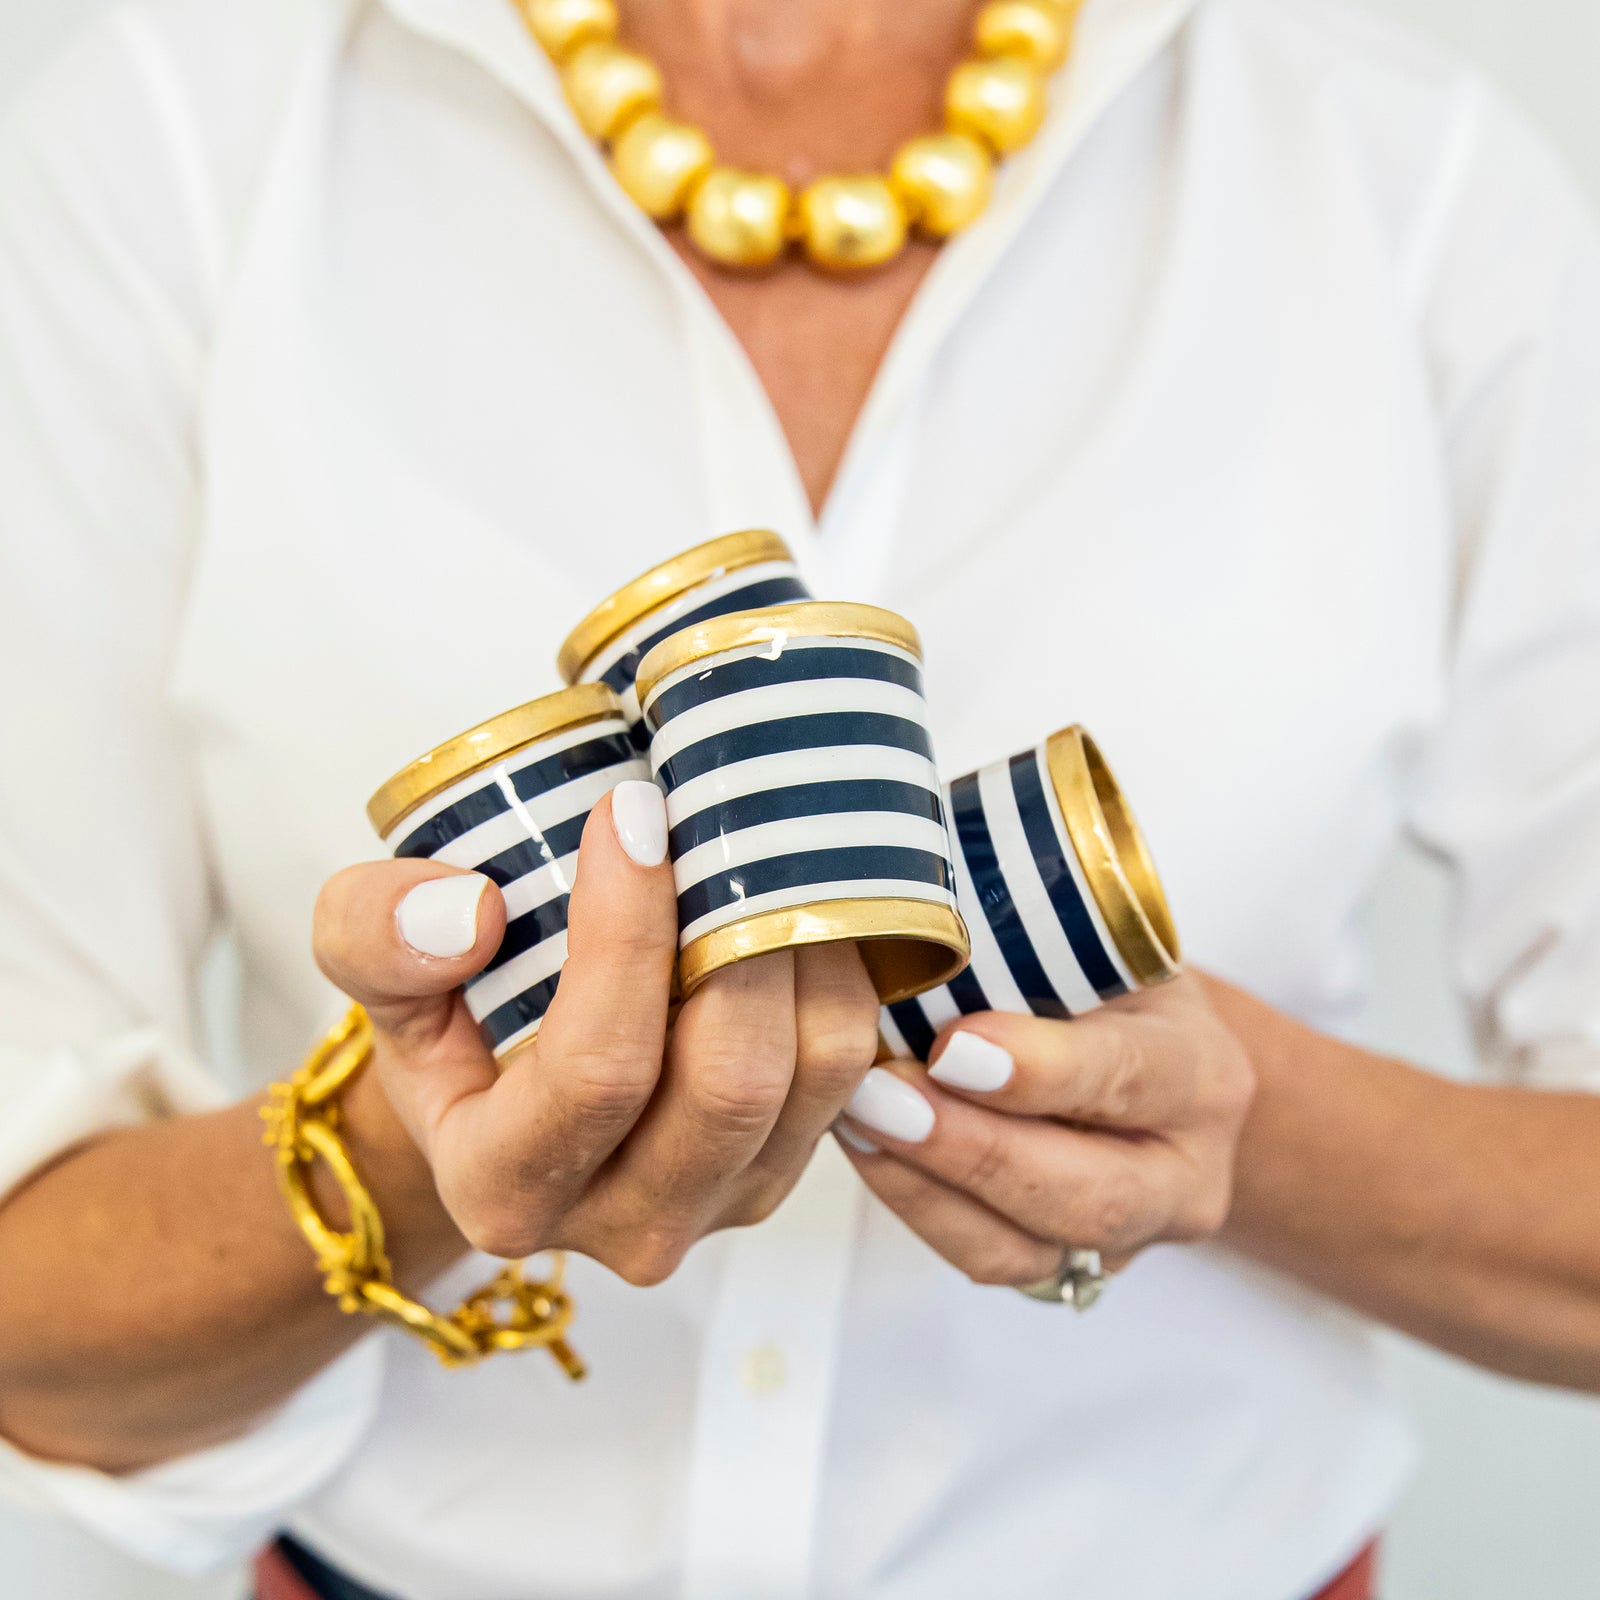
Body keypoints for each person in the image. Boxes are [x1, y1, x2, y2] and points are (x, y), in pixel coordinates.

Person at [1, 0, 1598, 1596]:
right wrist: (418, 1148)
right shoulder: (177, 144)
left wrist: (1233, 1120)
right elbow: (31, 1315)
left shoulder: (1411, 177)